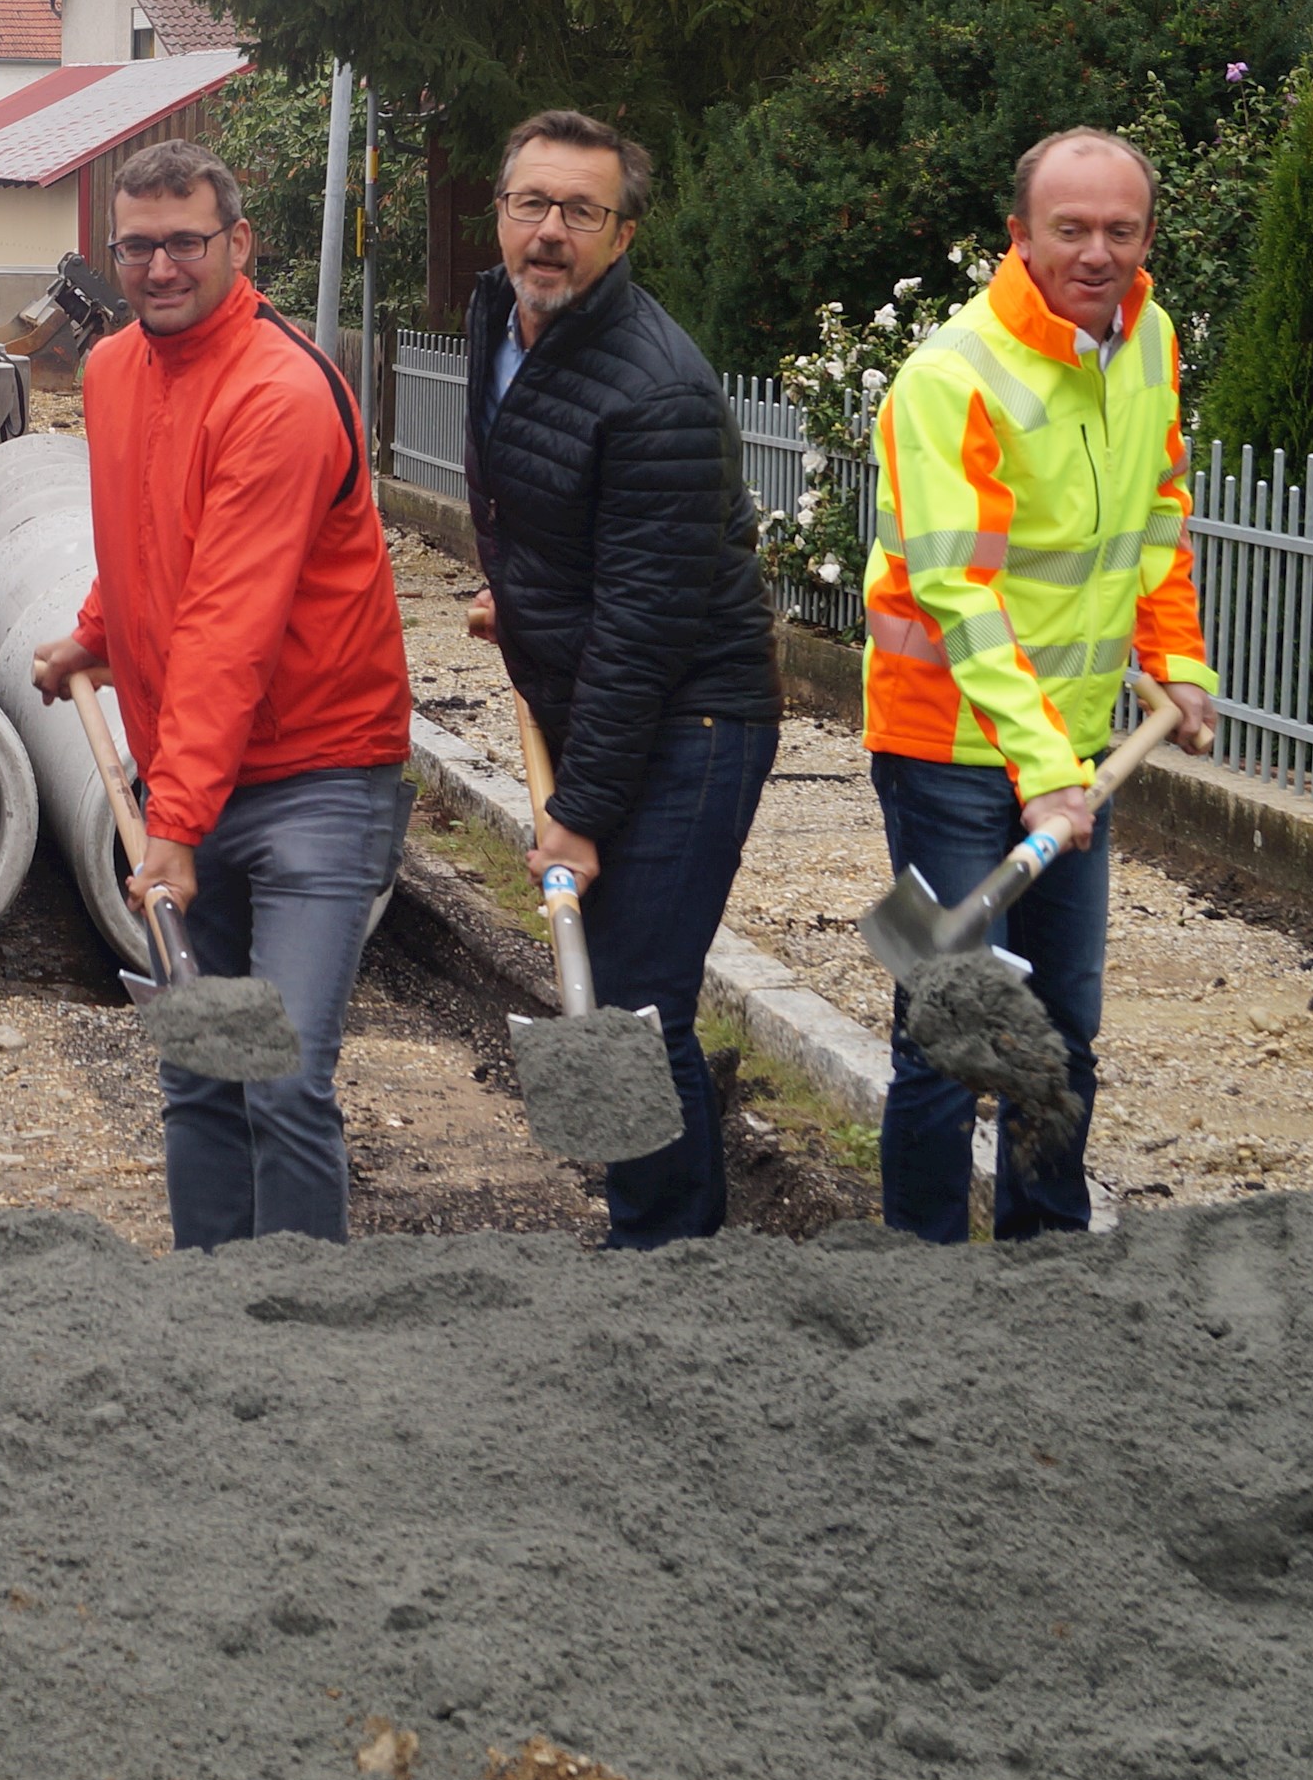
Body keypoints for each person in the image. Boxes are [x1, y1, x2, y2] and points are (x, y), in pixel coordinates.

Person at [27, 141, 414, 1248]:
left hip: (316, 783)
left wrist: (174, 823)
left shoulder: (279, 394)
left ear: (236, 244)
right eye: (136, 246)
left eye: (183, 243)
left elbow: (229, 625)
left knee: (281, 1073)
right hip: (197, 769)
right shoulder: (112, 372)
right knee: (201, 1069)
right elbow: (148, 534)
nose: (158, 268)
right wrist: (93, 635)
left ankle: (298, 1331)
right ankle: (210, 1314)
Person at [860, 129, 1220, 1242]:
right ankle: (920, 1273)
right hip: (943, 750)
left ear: (1147, 236)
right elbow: (959, 594)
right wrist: (1043, 772)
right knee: (950, 1025)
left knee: (1061, 1025)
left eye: (1120, 229)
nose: (1097, 251)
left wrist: (1177, 661)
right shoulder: (949, 378)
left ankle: (1048, 1262)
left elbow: (1157, 519)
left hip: (1065, 755)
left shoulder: (1147, 339)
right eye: (1070, 229)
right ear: (1019, 237)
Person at [450, 112, 779, 1246]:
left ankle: (670, 1256)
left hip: (691, 710)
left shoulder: (657, 388)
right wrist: (522, 599)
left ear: (622, 234)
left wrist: (579, 815)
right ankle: (652, 1233)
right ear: (498, 214)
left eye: (579, 213)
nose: (549, 233)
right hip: (602, 683)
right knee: (634, 995)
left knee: (639, 1002)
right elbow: (540, 508)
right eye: (531, 205)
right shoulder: (499, 315)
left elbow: (647, 618)